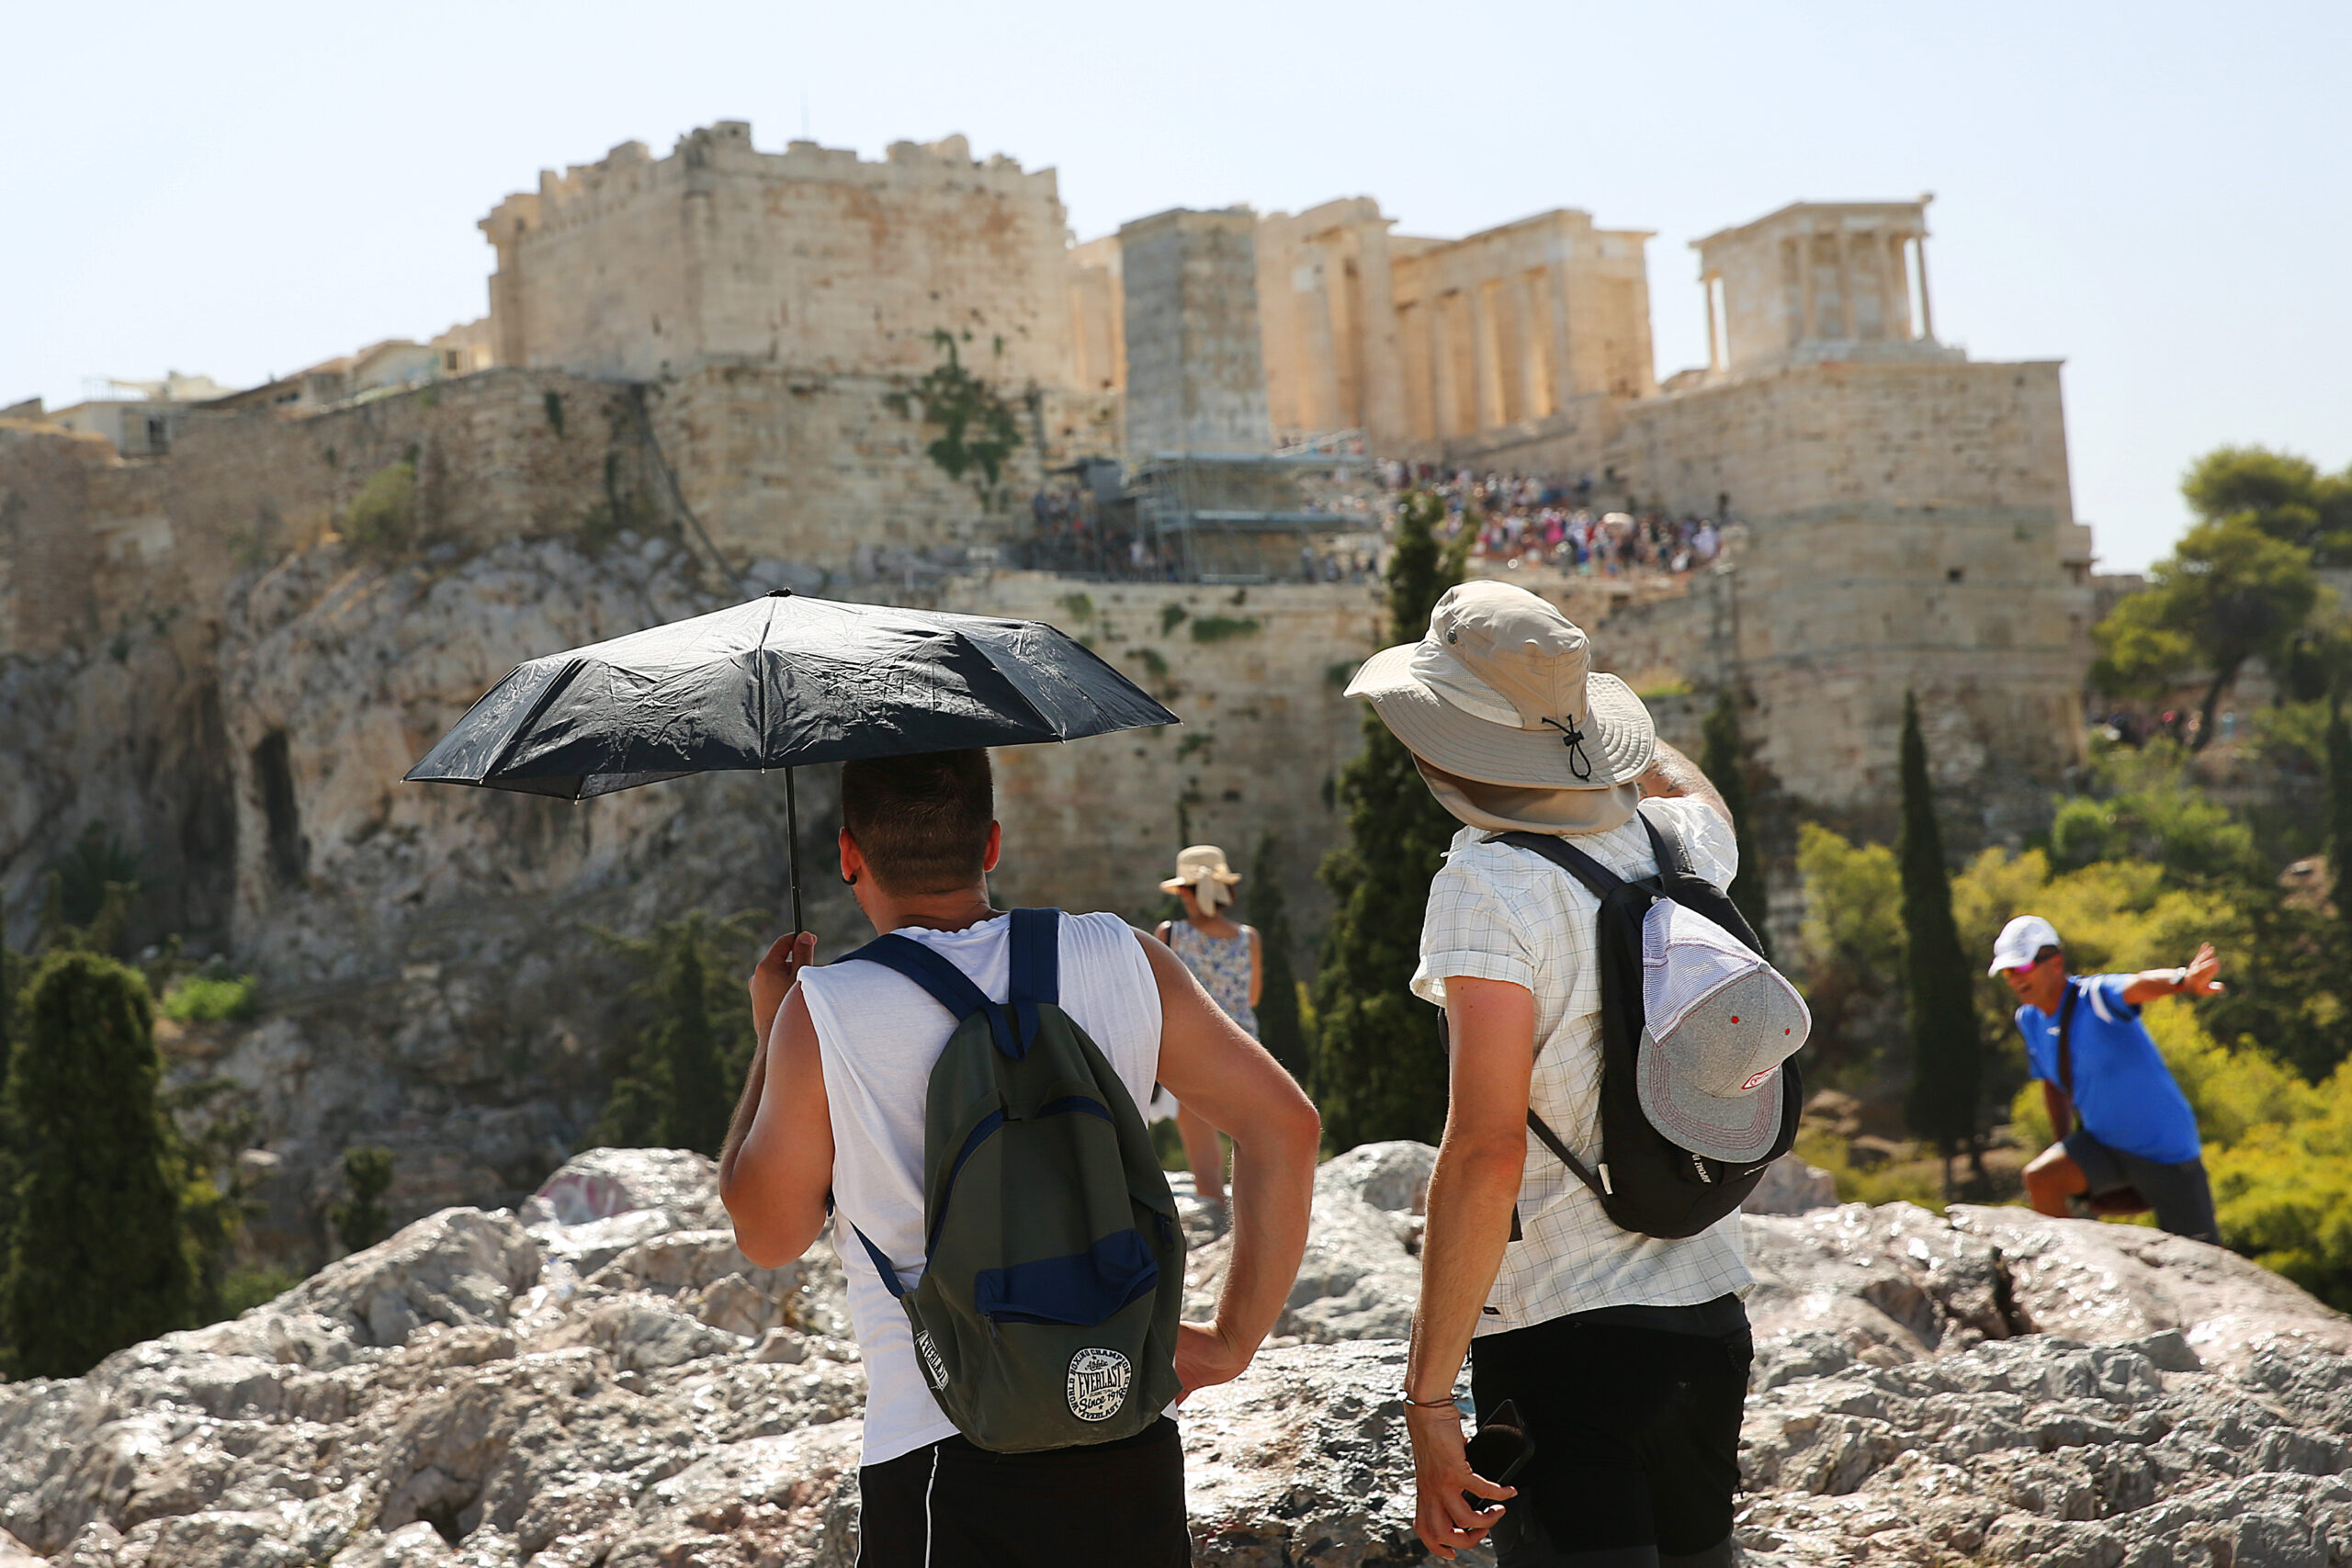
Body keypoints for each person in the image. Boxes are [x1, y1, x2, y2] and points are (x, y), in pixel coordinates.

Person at [718, 749, 1320, 1567]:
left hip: (942, 1449)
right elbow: (1286, 1126)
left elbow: (768, 1233)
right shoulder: (1123, 954)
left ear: (849, 853)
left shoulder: (825, 1010)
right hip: (1127, 1423)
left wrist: (771, 1036)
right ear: (991, 843)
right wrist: (1232, 1338)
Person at [1345, 580, 1772, 1567]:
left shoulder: (1487, 889)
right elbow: (1692, 791)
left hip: (1560, 1340)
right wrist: (1599, 724)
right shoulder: (1676, 847)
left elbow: (1487, 1149)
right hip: (1707, 1316)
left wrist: (1426, 1399)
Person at [1993, 915, 2223, 1244]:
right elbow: (2052, 1085)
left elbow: (2136, 985)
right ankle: (2071, 1269)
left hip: (2165, 1150)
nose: (2015, 979)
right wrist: (2067, 1147)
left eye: (2023, 968)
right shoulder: (2028, 1019)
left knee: (2205, 1258)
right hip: (2104, 1144)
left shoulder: (2095, 997)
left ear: (2055, 963)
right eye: (2008, 972)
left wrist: (2183, 981)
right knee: (2042, 1179)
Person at [1151, 845, 1265, 1210]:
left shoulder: (1172, 934)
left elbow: (1155, 995)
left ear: (1187, 892)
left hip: (1193, 1049)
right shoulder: (1249, 937)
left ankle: (1218, 1240)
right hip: (1245, 1048)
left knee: (1206, 1164)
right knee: (1247, 1147)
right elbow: (1253, 996)